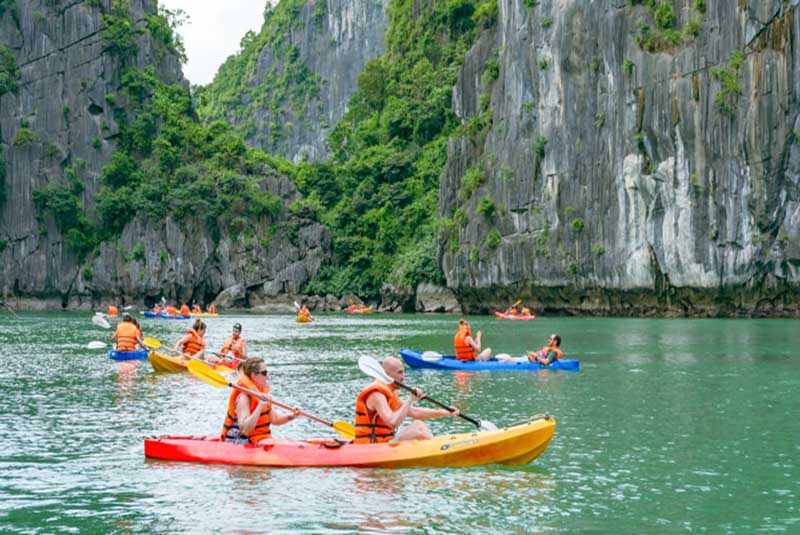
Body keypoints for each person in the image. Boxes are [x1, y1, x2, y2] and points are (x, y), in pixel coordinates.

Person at [354, 356, 458, 444]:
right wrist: (410, 400)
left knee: (419, 424)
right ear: (387, 374)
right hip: (373, 445)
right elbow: (392, 422)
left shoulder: (390, 393)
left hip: (385, 439)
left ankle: (433, 446)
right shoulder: (377, 395)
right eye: (399, 373)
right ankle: (437, 449)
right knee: (418, 432)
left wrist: (445, 412)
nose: (403, 377)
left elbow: (414, 412)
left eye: (403, 373)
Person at [221, 357, 302, 444]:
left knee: (290, 440)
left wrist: (293, 415)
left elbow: (275, 419)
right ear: (253, 376)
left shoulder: (262, 394)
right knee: (286, 444)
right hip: (242, 441)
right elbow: (245, 430)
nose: (267, 376)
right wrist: (260, 406)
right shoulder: (243, 398)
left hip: (260, 438)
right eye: (264, 373)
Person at [498, 333, 563, 364]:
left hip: (528, 361)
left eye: (550, 339)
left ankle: (495, 365)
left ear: (555, 342)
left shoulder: (554, 352)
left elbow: (546, 362)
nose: (548, 340)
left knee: (508, 359)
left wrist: (536, 356)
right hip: (528, 359)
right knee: (505, 357)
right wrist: (534, 354)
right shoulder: (549, 348)